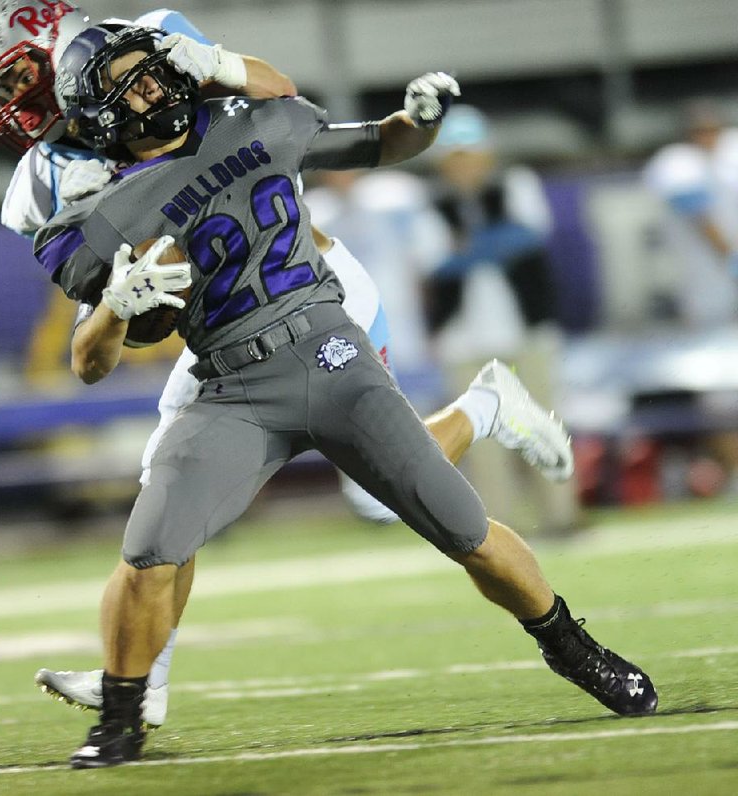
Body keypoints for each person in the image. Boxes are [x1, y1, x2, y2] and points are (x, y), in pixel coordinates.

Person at [36, 24, 657, 767]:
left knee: (462, 526)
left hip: (329, 349)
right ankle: (122, 721)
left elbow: (376, 144)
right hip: (230, 385)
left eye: (151, 72)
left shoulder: (248, 118)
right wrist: (115, 306)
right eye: (131, 83)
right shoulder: (104, 209)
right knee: (149, 548)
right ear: (99, 114)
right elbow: (88, 360)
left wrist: (415, 124)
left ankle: (571, 645)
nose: (155, 87)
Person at [422, 104, 579, 535]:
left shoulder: (516, 184)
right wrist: (488, 245)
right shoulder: (431, 202)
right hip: (463, 336)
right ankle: (499, 528)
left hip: (525, 326)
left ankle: (561, 515)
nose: (465, 166)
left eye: (470, 155)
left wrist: (467, 248)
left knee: (545, 422)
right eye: (456, 157)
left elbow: (528, 238)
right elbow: (435, 264)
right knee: (480, 437)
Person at [643, 98, 738, 328]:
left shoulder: (729, 152)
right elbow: (701, 219)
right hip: (705, 262)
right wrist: (731, 258)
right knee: (712, 320)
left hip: (730, 256)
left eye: (712, 129)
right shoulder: (676, 162)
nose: (707, 136)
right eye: (700, 131)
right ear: (687, 134)